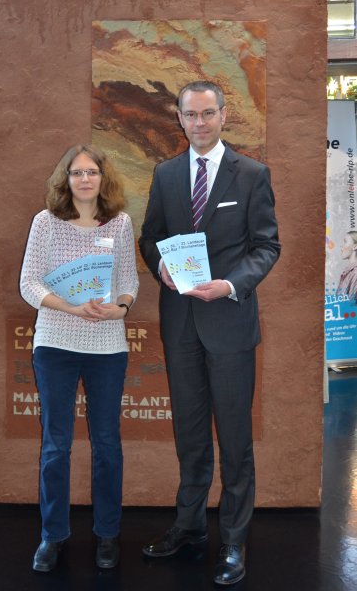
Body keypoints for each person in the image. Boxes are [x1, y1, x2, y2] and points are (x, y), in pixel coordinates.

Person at [139, 80, 280, 586]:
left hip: (231, 327)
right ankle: (190, 526)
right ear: (178, 118)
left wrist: (230, 284)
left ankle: (235, 541)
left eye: (207, 114)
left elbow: (267, 246)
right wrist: (159, 268)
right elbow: (151, 236)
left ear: (224, 116)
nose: (198, 123)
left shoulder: (252, 174)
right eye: (189, 115)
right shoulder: (167, 174)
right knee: (191, 436)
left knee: (236, 441)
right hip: (180, 327)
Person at [20, 144, 139, 573]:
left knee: (107, 444)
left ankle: (107, 534)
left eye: (91, 172)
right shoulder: (46, 223)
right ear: (65, 179)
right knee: (56, 445)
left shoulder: (121, 223)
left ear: (103, 178)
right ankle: (52, 535)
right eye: (76, 173)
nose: (84, 179)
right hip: (55, 343)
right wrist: (70, 309)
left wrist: (120, 308)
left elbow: (128, 282)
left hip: (108, 345)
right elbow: (29, 284)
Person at [336, 231, 357, 300]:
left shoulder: (355, 273)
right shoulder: (347, 273)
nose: (341, 247)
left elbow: (351, 306)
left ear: (355, 246)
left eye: (345, 242)